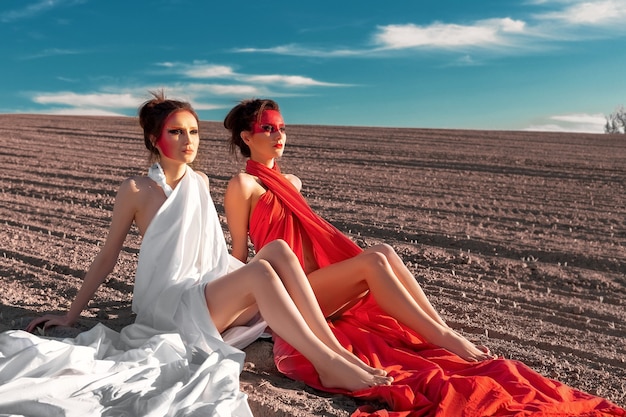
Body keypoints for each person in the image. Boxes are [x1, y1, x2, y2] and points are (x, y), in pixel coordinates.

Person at [222, 98, 626, 417]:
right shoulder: (243, 184)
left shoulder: (292, 181)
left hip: (323, 286)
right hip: (294, 294)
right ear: (246, 136)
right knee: (372, 260)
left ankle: (441, 330)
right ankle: (446, 338)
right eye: (268, 129)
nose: (279, 135)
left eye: (282, 128)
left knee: (383, 252)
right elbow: (240, 259)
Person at [0, 92, 393, 416]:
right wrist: (71, 315)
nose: (189, 141)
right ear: (156, 139)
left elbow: (214, 252)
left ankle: (336, 353)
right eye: (177, 132)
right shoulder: (136, 190)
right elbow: (108, 256)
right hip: (172, 307)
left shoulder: (200, 180)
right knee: (260, 274)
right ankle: (328, 365)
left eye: (193, 132)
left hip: (206, 290)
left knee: (278, 251)